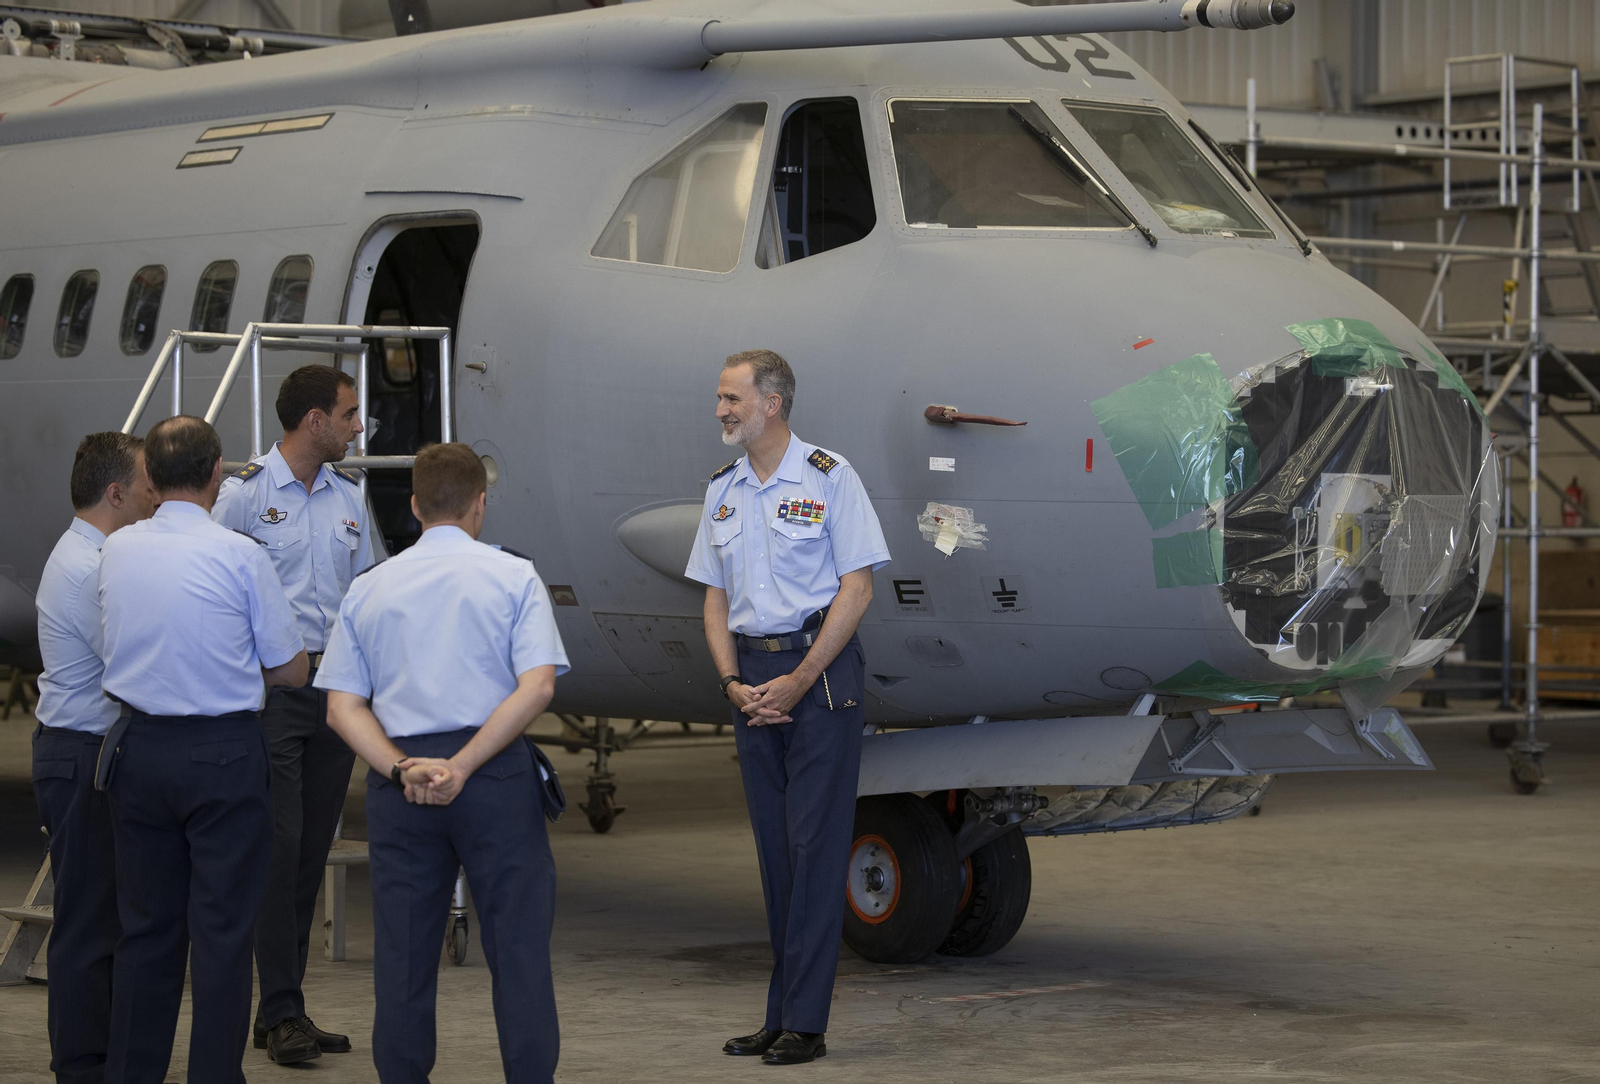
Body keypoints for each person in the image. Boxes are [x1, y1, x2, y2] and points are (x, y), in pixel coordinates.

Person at [318, 442, 568, 1084]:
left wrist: (404, 768)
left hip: (401, 783)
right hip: (494, 777)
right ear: (480, 504)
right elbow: (537, 686)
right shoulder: (514, 578)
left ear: (413, 507)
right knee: (518, 956)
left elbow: (342, 708)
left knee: (401, 962)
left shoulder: (370, 587)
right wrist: (465, 764)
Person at [685, 349, 890, 1066]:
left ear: (772, 403)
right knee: (776, 854)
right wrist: (730, 681)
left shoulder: (831, 477)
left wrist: (800, 678)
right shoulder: (723, 489)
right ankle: (780, 1015)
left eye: (732, 398)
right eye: (720, 399)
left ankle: (806, 1020)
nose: (721, 410)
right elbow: (713, 596)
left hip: (820, 677)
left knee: (814, 848)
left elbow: (857, 589)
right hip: (751, 681)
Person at [98, 415, 309, 1084]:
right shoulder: (241, 555)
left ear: (151, 482)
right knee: (220, 937)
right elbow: (291, 670)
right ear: (218, 473)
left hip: (139, 749)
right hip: (222, 754)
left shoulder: (118, 549)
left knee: (146, 933)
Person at [211, 363, 377, 1063]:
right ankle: (276, 1012)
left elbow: (367, 592)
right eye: (347, 414)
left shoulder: (349, 497)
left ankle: (286, 1008)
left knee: (310, 855)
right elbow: (213, 592)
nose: (357, 425)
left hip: (333, 699)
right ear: (314, 420)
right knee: (277, 853)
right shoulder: (243, 498)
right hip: (270, 700)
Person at [32, 432, 157, 1084]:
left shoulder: (91, 554)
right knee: (87, 928)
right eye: (145, 486)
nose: (154, 497)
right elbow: (135, 667)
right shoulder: (90, 569)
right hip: (84, 757)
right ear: (116, 493)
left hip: (86, 752)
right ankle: (82, 1070)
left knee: (105, 922)